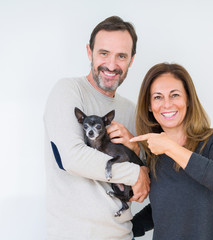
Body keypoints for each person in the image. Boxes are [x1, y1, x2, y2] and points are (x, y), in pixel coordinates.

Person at [43, 16, 150, 240]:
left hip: (122, 235)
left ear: (131, 60)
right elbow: (72, 158)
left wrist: (137, 151)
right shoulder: (69, 91)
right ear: (89, 52)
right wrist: (134, 173)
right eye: (104, 53)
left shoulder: (132, 110)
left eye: (121, 56)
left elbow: (149, 176)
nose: (111, 65)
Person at [129, 63, 213, 239]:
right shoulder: (153, 155)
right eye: (158, 97)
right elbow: (167, 207)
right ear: (149, 105)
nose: (167, 104)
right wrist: (126, 228)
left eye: (175, 95)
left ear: (188, 99)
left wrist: (170, 147)